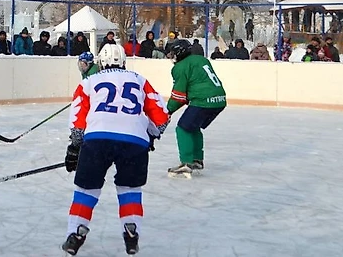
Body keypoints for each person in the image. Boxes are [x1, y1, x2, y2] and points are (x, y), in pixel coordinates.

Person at [61, 44, 169, 255]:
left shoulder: (90, 81)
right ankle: (131, 231)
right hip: (135, 142)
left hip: (97, 140)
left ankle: (76, 234)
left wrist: (75, 147)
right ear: (124, 62)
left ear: (100, 62)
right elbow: (161, 116)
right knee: (130, 189)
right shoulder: (139, 80)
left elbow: (77, 120)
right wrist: (150, 135)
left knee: (87, 189)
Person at [165, 39, 227, 178]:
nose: (172, 56)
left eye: (173, 53)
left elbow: (179, 95)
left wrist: (167, 110)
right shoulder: (201, 60)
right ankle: (197, 159)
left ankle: (186, 163)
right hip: (220, 99)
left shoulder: (179, 67)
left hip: (203, 100)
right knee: (193, 126)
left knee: (183, 127)